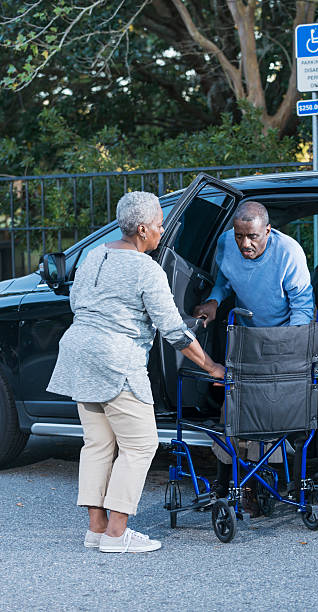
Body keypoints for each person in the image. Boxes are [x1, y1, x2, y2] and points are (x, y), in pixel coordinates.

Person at [47, 191, 225, 554]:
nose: (162, 230)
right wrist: (211, 366)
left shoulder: (93, 255)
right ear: (142, 229)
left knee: (97, 444)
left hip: (78, 352)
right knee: (140, 444)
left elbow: (77, 302)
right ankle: (117, 534)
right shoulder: (146, 269)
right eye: (159, 224)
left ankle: (97, 530)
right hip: (116, 360)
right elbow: (173, 331)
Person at [194, 201, 314, 514]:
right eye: (239, 236)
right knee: (232, 410)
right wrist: (214, 301)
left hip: (280, 340)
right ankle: (225, 485)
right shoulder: (226, 242)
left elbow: (303, 305)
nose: (245, 243)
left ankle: (256, 485)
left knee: (266, 414)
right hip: (245, 337)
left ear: (268, 232)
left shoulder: (289, 253)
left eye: (253, 237)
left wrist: (287, 348)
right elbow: (225, 279)